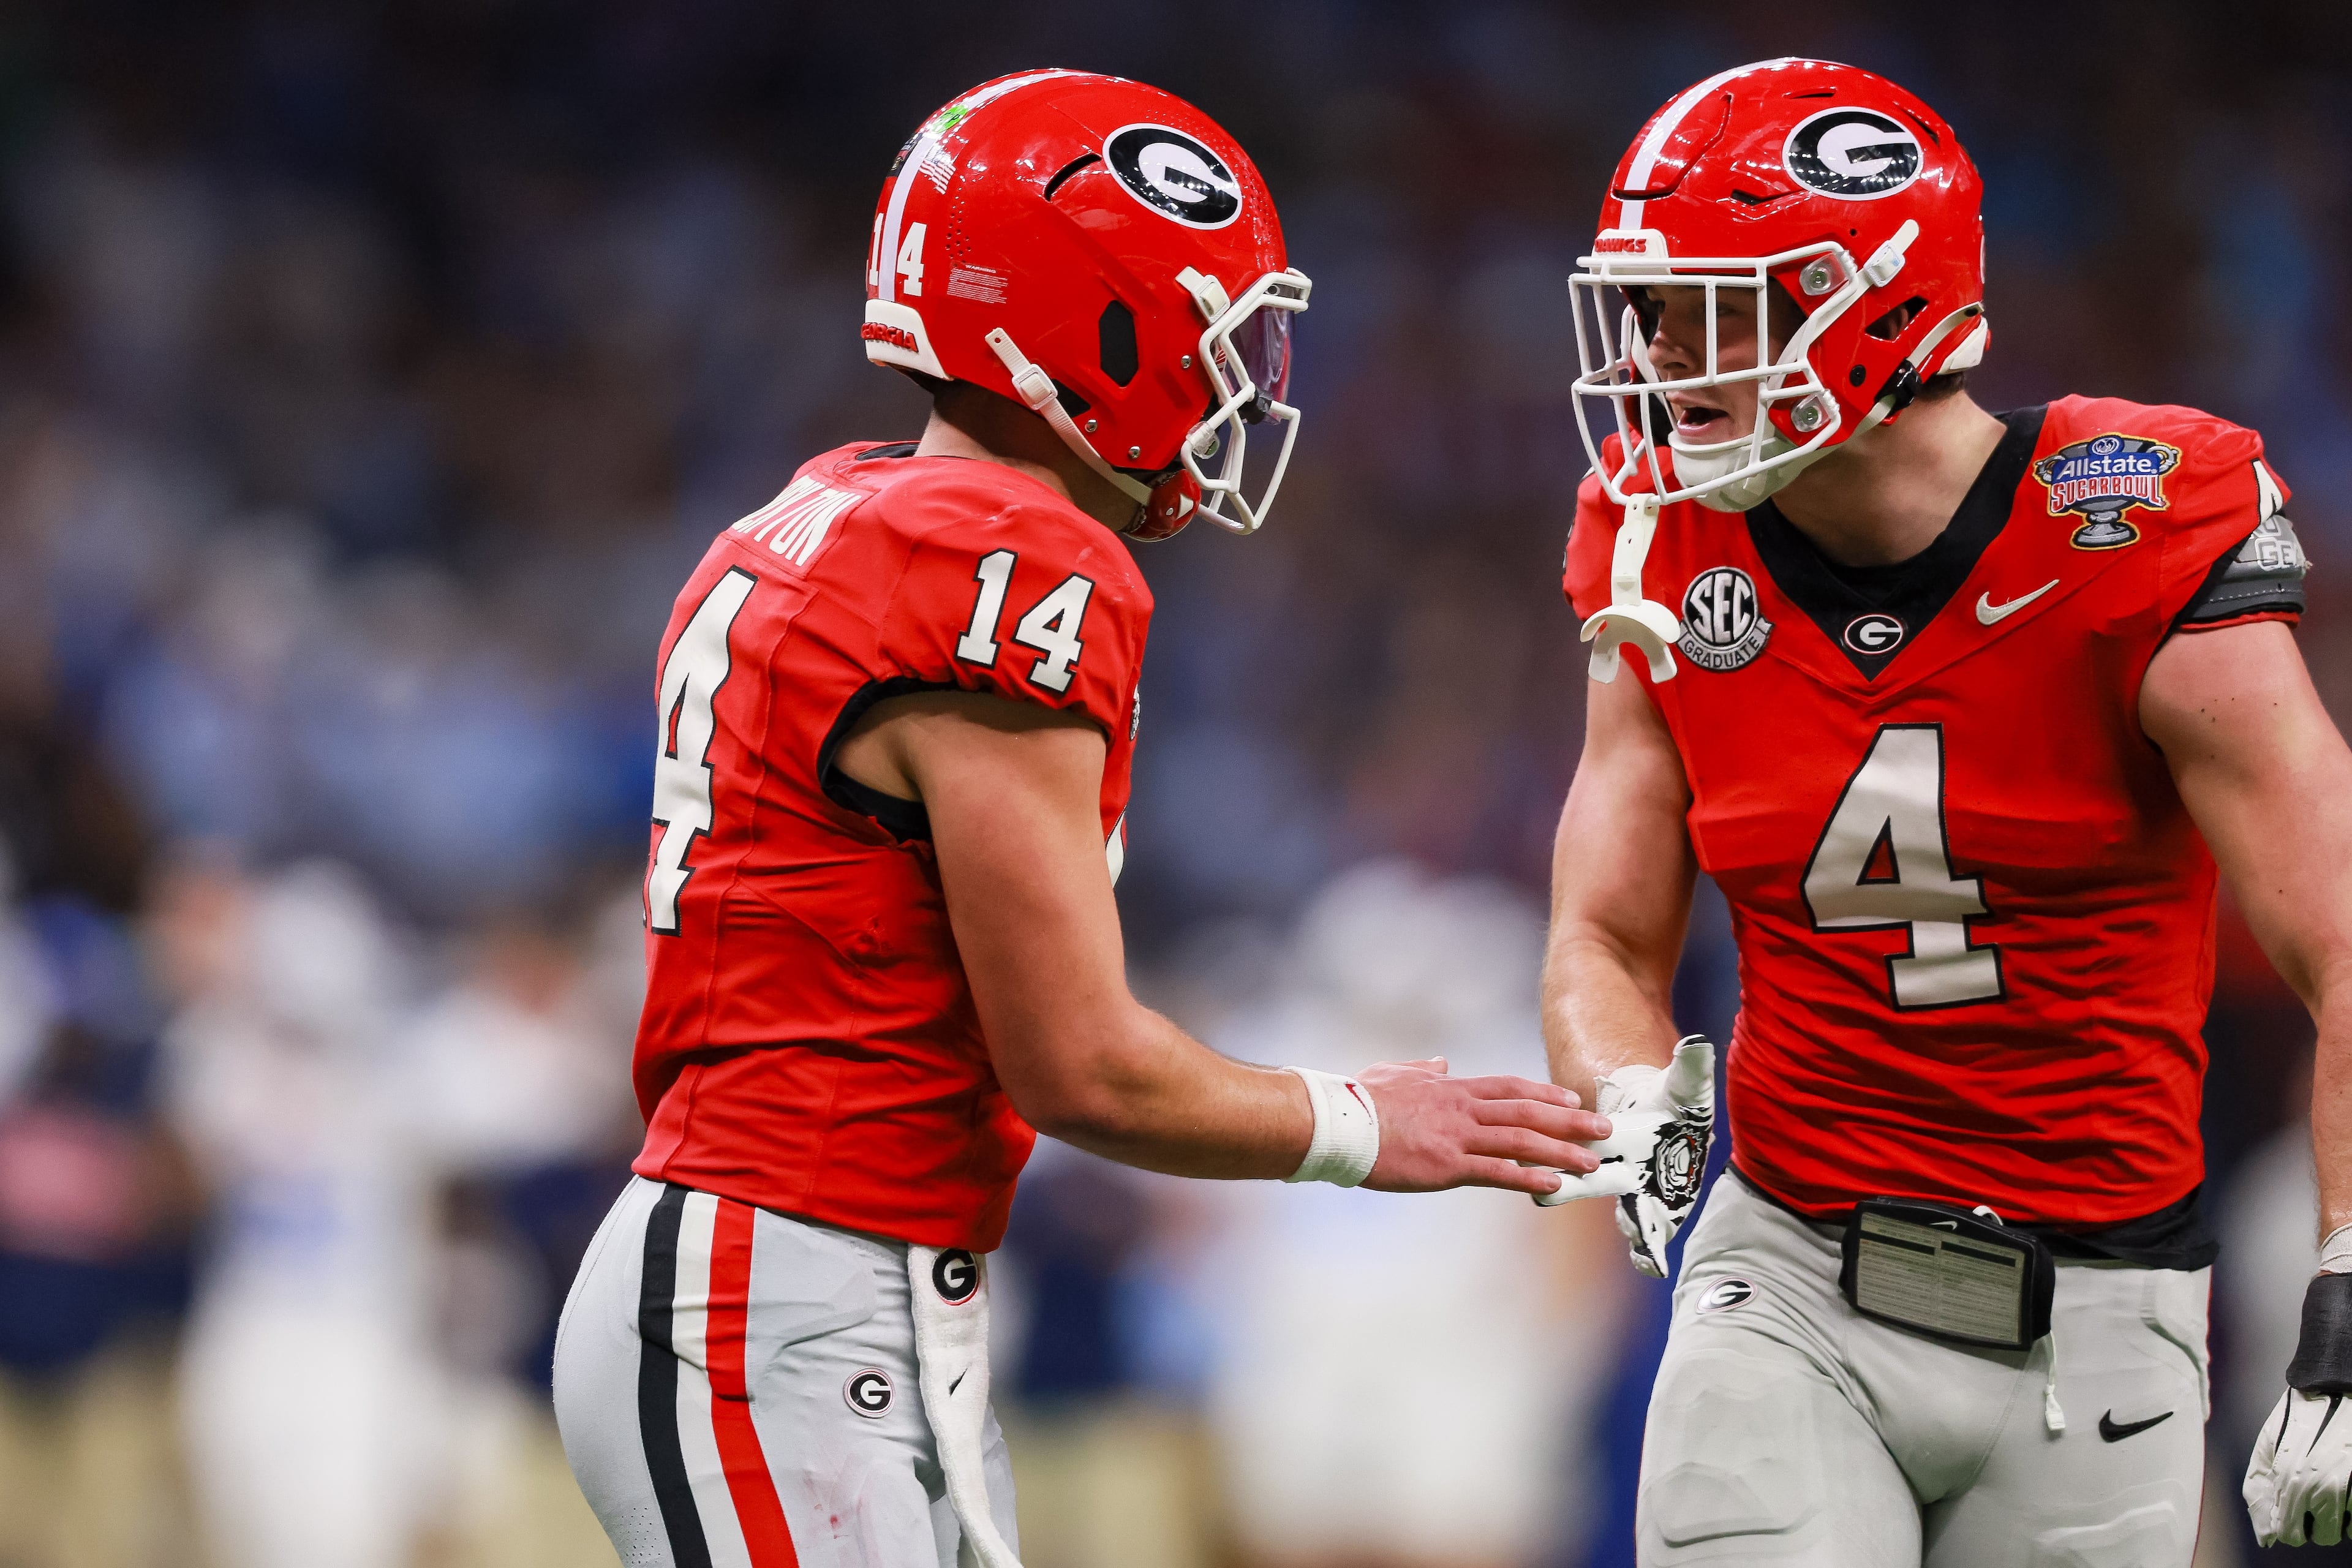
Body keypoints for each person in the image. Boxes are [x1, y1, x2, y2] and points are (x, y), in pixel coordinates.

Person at [552, 69, 1609, 1568]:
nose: (1241, 378)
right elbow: (1079, 1063)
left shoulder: (828, 511)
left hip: (809, 1281)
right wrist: (1369, 1122)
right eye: (1212, 329)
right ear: (1085, 324)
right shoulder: (1007, 558)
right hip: (784, 1290)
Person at [1536, 56, 2352, 1563]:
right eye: (1649, 306)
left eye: (1714, 303)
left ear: (1881, 306)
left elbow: (2347, 935)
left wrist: (2351, 1274)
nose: (1658, 353)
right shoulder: (1657, 530)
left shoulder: (2138, 520)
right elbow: (1600, 925)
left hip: (2102, 1311)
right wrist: (1630, 1094)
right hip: (1782, 1267)